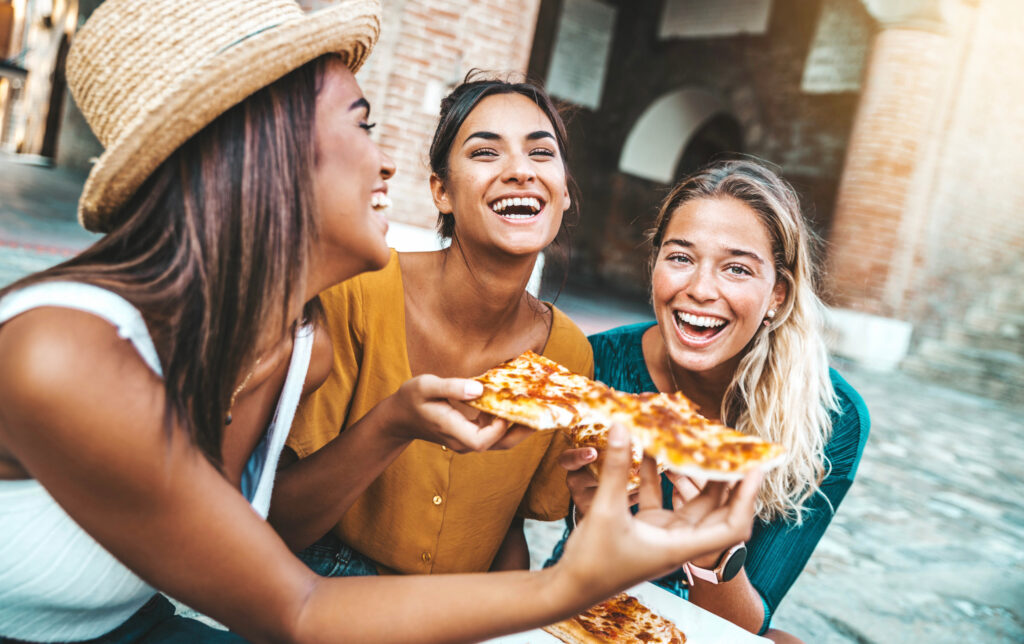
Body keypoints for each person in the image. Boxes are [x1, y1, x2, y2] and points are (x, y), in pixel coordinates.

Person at [0, 1, 764, 642]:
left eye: (542, 153)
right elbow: (295, 605)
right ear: (269, 148)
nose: (386, 164)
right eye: (363, 125)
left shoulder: (285, 342)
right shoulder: (61, 354)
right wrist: (578, 581)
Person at [270, 73, 591, 576]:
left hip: (457, 607)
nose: (520, 171)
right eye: (486, 153)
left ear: (564, 193)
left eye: (540, 153)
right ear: (441, 191)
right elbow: (279, 523)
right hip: (322, 582)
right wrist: (393, 423)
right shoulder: (359, 291)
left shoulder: (569, 355)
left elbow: (507, 528)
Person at [549, 159, 870, 643]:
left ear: (777, 294)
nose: (700, 289)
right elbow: (565, 559)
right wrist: (584, 516)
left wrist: (713, 557)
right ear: (654, 264)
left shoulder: (831, 418)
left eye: (737, 268)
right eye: (680, 257)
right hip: (590, 603)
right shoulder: (598, 365)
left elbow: (749, 624)